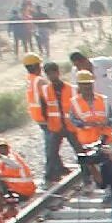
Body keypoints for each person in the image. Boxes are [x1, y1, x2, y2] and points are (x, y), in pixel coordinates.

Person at [24, 53, 71, 183]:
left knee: (53, 144)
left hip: (37, 117)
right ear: (36, 66)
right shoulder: (40, 81)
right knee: (51, 146)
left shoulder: (30, 79)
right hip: (46, 118)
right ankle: (50, 174)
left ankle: (60, 168)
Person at [66, 69, 111, 153]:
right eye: (83, 84)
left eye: (88, 84)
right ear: (79, 85)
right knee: (88, 164)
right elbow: (73, 120)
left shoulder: (103, 99)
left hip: (105, 139)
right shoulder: (75, 102)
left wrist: (107, 122)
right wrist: (85, 124)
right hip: (86, 141)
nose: (87, 86)